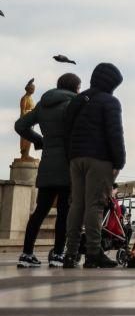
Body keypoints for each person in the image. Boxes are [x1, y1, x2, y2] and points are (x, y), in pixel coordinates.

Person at [62, 63, 125, 269]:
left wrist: (70, 156)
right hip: (99, 160)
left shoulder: (78, 100)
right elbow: (115, 135)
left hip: (75, 158)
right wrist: (119, 162)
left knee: (77, 205)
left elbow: (67, 132)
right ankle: (93, 253)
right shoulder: (110, 102)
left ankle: (70, 254)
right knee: (95, 206)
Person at [15, 73, 80, 268]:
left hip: (47, 165)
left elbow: (20, 125)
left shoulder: (44, 104)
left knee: (39, 212)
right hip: (68, 166)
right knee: (63, 213)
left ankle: (27, 254)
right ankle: (58, 254)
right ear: (74, 87)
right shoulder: (74, 104)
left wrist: (39, 141)